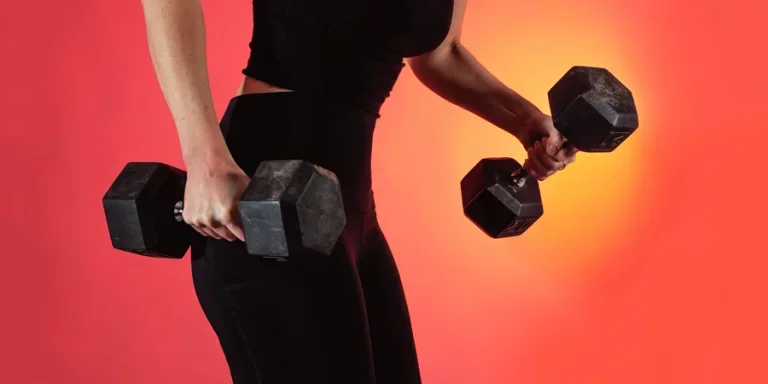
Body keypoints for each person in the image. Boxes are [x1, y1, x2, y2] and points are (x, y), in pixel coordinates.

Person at [139, 0, 578, 383]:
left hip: (350, 207)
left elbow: (440, 52)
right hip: (263, 195)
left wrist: (525, 121)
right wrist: (205, 157)